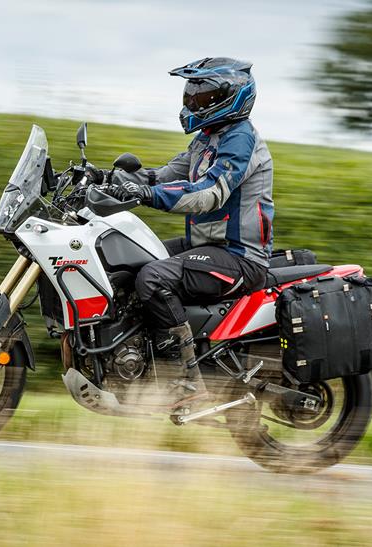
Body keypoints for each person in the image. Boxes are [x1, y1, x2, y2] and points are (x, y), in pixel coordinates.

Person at [105, 57, 274, 401]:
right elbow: (166, 174)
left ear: (230, 97)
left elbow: (210, 192)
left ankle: (186, 381)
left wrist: (147, 195)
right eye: (191, 95)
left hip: (238, 257)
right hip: (208, 246)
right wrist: (107, 178)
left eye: (202, 97)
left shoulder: (241, 140)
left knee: (152, 277)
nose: (192, 103)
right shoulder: (208, 137)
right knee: (128, 261)